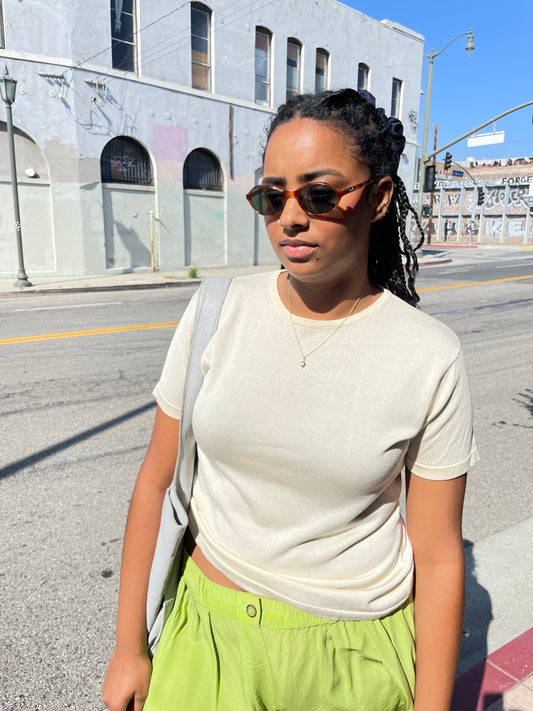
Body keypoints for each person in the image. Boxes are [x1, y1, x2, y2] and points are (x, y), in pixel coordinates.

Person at [102, 88, 478, 711]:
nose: (291, 217)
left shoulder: (429, 354)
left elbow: (438, 554)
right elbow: (153, 482)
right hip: (207, 640)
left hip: (353, 661)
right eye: (272, 197)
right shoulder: (216, 311)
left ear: (379, 198)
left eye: (320, 194)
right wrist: (129, 647)